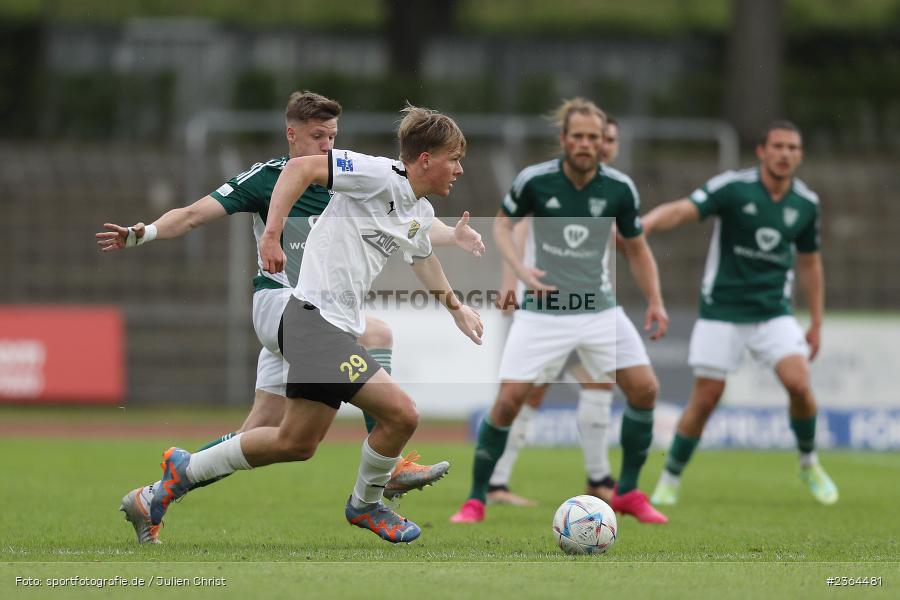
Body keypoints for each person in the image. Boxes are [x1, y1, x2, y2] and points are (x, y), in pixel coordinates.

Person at [96, 92, 485, 544]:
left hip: (322, 324)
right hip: (307, 317)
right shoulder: (377, 173)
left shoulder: (417, 209)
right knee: (401, 413)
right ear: (424, 159)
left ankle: (165, 487)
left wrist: (456, 307)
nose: (459, 170)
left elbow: (422, 257)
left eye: (330, 137)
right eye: (454, 160)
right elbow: (294, 171)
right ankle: (370, 498)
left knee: (292, 442)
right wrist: (272, 234)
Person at [450, 99, 669, 525]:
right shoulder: (535, 180)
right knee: (509, 402)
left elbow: (638, 250)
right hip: (542, 313)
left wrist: (656, 300)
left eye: (594, 137)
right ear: (565, 139)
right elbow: (501, 225)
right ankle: (476, 499)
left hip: (598, 310)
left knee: (644, 390)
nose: (587, 144)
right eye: (579, 136)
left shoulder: (619, 188)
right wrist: (516, 270)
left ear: (602, 141)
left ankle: (625, 491)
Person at [643, 120, 838, 507]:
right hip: (722, 311)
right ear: (762, 152)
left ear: (799, 156)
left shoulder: (805, 204)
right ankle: (670, 478)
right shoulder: (733, 188)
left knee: (800, 384)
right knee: (707, 398)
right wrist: (644, 224)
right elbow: (685, 209)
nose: (785, 154)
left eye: (792, 148)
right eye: (778, 146)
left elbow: (811, 264)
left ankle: (808, 462)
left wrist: (816, 323)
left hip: (773, 312)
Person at [487, 118, 621, 506]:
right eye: (602, 138)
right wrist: (510, 283)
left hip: (588, 309)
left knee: (598, 383)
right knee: (526, 393)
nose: (607, 146)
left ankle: (598, 478)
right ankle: (495, 484)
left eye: (610, 140)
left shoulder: (608, 187)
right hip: (546, 307)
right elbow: (518, 228)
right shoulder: (552, 183)